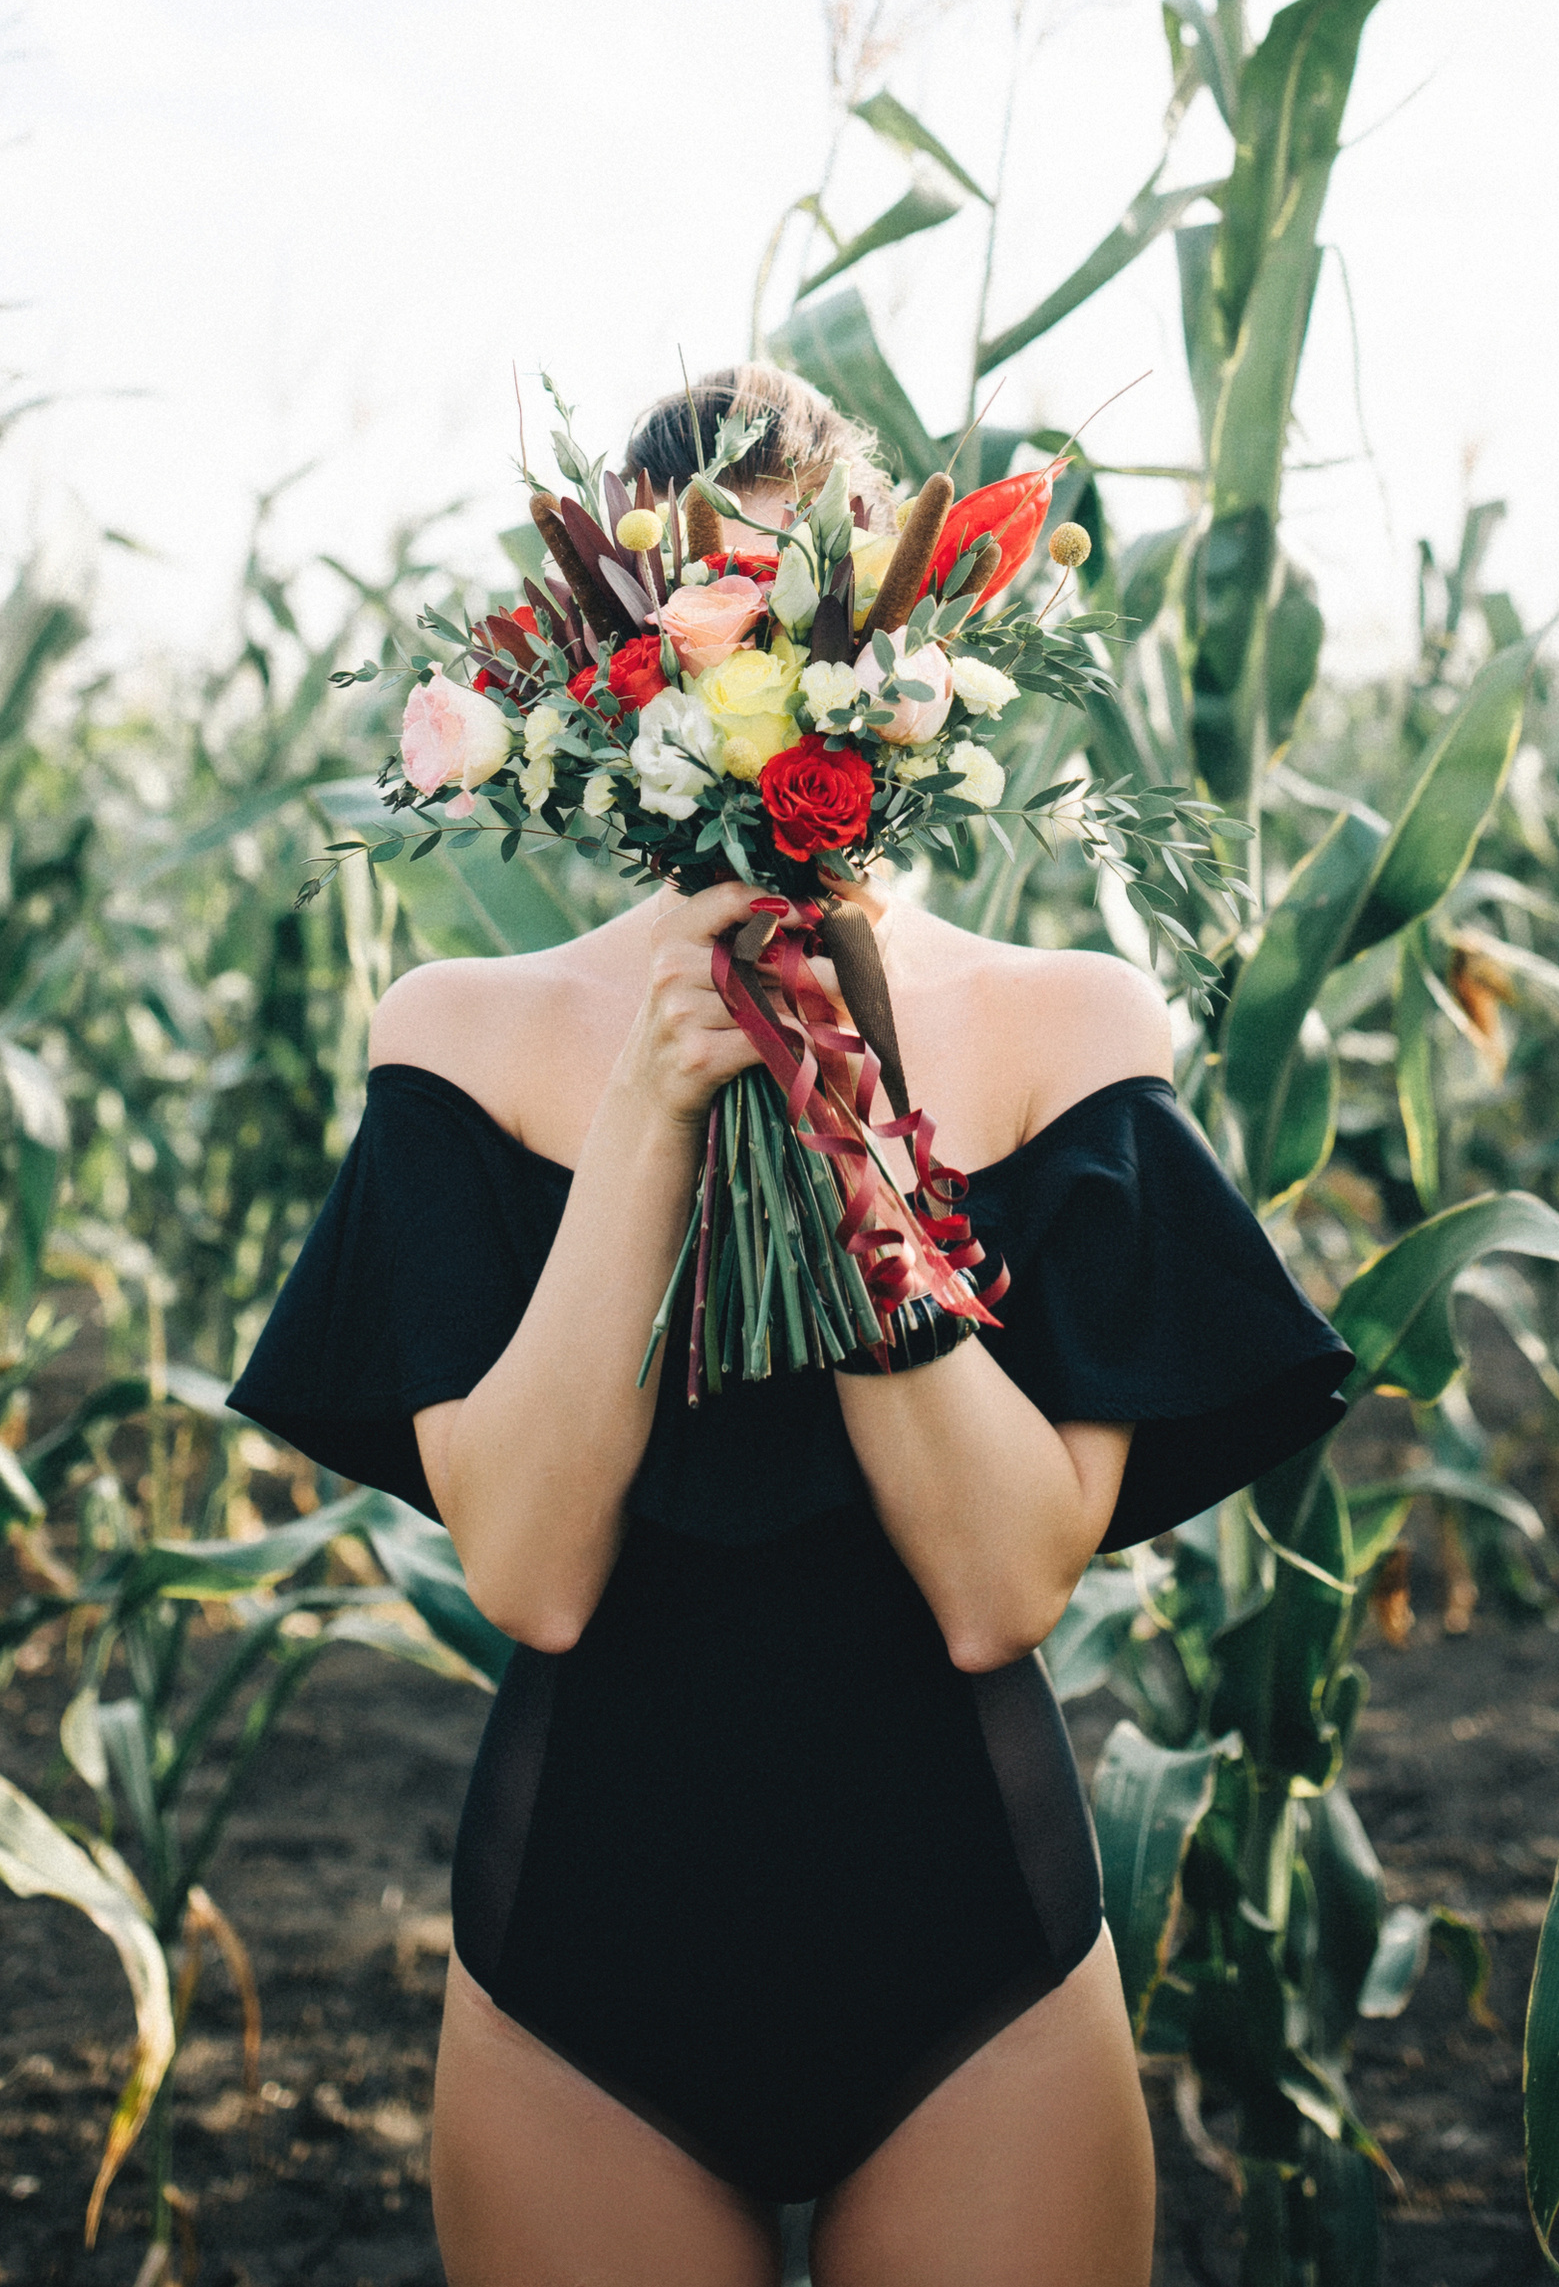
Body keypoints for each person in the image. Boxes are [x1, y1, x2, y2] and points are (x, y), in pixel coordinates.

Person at [229, 365, 1352, 2287]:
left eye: (787, 608)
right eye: (686, 623)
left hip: (972, 1957)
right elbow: (531, 1567)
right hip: (583, 1963)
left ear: (897, 642)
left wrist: (838, 1116)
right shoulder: (461, 1034)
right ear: (597, 669)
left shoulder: (1073, 1027)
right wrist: (662, 1112)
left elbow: (1002, 1584)